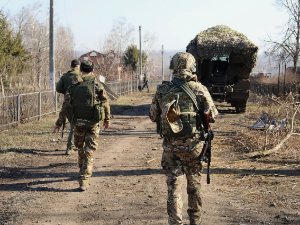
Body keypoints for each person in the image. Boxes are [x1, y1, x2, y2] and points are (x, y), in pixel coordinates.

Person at [149, 52, 218, 225]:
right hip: (193, 148)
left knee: (173, 188)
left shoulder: (162, 90)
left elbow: (152, 116)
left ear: (173, 67)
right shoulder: (199, 88)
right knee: (194, 187)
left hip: (171, 149)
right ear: (192, 67)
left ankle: (175, 222)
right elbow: (214, 115)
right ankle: (195, 221)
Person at [53, 60, 110, 191]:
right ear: (92, 71)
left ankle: (82, 172)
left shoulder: (73, 84)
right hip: (93, 123)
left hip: (78, 123)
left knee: (81, 150)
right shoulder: (96, 84)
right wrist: (106, 120)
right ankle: (84, 179)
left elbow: (66, 105)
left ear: (81, 69)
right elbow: (105, 102)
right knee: (89, 152)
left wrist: (59, 123)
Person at [56, 59, 81, 155]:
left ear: (71, 66)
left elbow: (58, 88)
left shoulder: (66, 76)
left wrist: (67, 92)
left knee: (73, 125)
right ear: (78, 66)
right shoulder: (82, 75)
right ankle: (70, 147)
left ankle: (75, 145)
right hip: (79, 104)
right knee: (74, 126)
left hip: (68, 104)